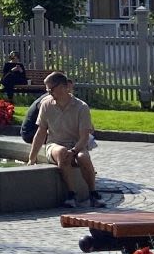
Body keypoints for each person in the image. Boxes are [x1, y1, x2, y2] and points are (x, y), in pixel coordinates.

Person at [24, 71, 103, 209]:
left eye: (51, 89)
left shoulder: (81, 107)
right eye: (47, 90)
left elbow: (84, 137)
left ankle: (93, 193)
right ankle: (71, 194)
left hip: (76, 144)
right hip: (55, 144)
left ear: (62, 87)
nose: (49, 93)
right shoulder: (46, 105)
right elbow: (41, 133)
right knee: (61, 152)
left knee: (83, 157)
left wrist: (74, 151)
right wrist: (32, 158)